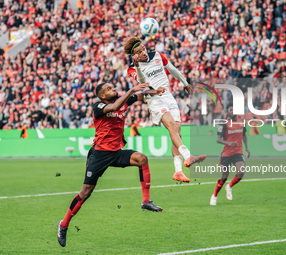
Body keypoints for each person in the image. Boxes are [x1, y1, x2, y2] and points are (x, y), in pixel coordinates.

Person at [57, 82, 165, 247]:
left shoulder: (124, 101)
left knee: (142, 159)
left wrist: (154, 91)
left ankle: (145, 201)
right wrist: (130, 91)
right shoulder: (98, 106)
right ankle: (63, 224)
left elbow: (141, 95)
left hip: (116, 152)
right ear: (102, 96)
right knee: (85, 193)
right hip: (99, 154)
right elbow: (115, 107)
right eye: (109, 89)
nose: (113, 89)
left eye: (113, 87)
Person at [123, 37, 206, 183]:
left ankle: (178, 171)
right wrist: (137, 67)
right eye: (138, 52)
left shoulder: (157, 55)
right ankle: (188, 155)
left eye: (142, 48)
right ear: (134, 56)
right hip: (154, 98)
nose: (143, 52)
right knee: (172, 127)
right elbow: (143, 84)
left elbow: (172, 69)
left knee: (177, 132)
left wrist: (185, 83)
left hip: (168, 96)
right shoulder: (132, 68)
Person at [210, 107, 250, 206]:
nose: (233, 111)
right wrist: (228, 143)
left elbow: (244, 135)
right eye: (231, 110)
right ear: (228, 112)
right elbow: (218, 139)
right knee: (224, 177)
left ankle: (229, 186)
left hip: (238, 152)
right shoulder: (224, 123)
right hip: (226, 153)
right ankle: (214, 195)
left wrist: (246, 148)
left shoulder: (241, 122)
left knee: (241, 172)